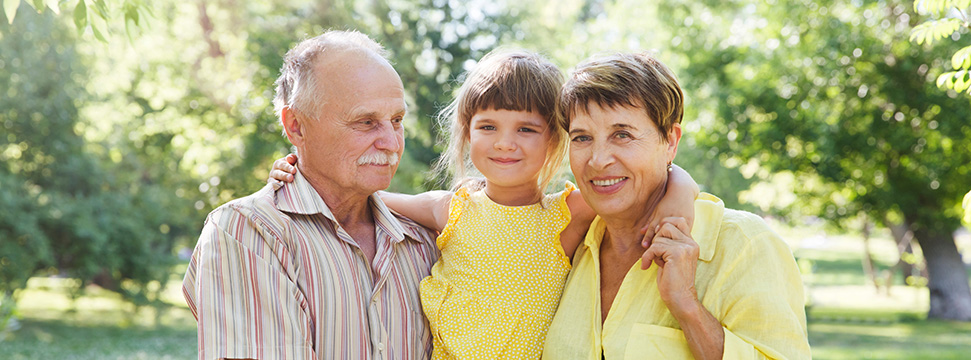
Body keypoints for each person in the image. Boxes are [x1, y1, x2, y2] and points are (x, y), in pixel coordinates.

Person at [268, 49, 700, 359]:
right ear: (467, 133)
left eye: (526, 129)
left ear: (554, 138)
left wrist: (675, 204)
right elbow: (359, 192)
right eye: (488, 126)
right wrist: (295, 170)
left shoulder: (567, 214)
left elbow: (665, 176)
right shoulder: (450, 209)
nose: (505, 144)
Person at [181, 30, 440, 359]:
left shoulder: (425, 240)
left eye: (397, 120)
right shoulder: (247, 232)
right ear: (296, 126)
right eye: (365, 122)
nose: (391, 142)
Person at [542, 53, 811, 359]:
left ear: (670, 141)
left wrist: (687, 305)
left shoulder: (744, 244)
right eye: (582, 138)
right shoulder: (565, 243)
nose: (599, 159)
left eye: (622, 134)